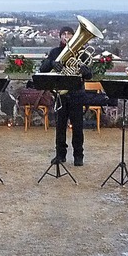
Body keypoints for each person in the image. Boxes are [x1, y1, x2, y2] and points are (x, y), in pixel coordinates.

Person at [39, 25, 92, 166]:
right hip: (60, 95)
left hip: (77, 94)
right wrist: (52, 63)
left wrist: (84, 70)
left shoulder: (81, 52)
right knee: (60, 127)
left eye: (69, 34)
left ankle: (78, 156)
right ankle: (60, 155)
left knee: (78, 128)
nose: (66, 36)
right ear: (60, 36)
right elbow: (42, 69)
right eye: (64, 34)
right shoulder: (55, 52)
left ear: (74, 36)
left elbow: (89, 75)